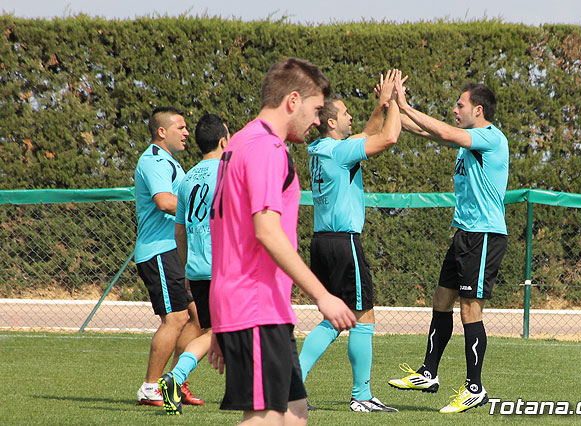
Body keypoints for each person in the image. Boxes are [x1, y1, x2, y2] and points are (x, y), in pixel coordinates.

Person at [207, 57, 357, 426]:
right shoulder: (267, 149)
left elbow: (226, 234)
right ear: (293, 100)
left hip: (253, 307)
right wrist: (323, 296)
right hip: (255, 305)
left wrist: (221, 322)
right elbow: (266, 231)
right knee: (265, 418)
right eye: (317, 109)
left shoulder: (239, 142)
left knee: (295, 412)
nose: (319, 120)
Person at [387, 82, 509, 414]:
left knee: (470, 309)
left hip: (484, 235)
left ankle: (475, 388)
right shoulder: (466, 142)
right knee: (442, 300)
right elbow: (430, 132)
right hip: (464, 234)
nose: (455, 111)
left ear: (478, 110)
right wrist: (392, 108)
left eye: (460, 106)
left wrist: (405, 104)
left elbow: (443, 131)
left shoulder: (490, 138)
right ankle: (428, 372)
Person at [297, 70, 403, 413]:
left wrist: (381, 104)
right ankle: (361, 395)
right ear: (330, 122)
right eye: (344, 113)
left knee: (337, 318)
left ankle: (290, 385)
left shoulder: (321, 149)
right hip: (344, 242)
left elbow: (364, 134)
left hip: (322, 241)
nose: (350, 117)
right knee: (364, 315)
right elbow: (387, 138)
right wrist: (397, 102)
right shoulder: (340, 152)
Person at [158, 114, 230, 415]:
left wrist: (187, 270)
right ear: (224, 141)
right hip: (224, 268)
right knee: (238, 330)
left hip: (198, 269)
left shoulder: (188, 179)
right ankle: (176, 377)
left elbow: (179, 230)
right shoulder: (229, 173)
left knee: (216, 334)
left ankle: (180, 378)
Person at [134, 106, 204, 407]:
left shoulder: (173, 163)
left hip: (175, 253)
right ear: (162, 131)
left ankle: (175, 381)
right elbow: (164, 202)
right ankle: (150, 387)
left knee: (200, 317)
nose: (187, 132)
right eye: (181, 127)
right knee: (175, 318)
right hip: (158, 252)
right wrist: (206, 211)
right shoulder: (152, 161)